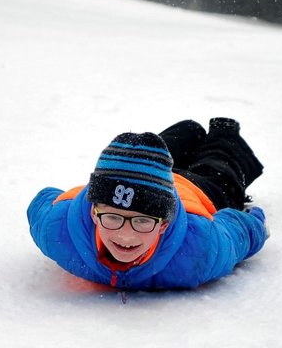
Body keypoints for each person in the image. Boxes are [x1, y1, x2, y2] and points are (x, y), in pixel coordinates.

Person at [27, 118, 267, 291]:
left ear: (164, 225)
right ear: (93, 212)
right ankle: (190, 129)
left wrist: (255, 220)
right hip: (151, 176)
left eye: (142, 221)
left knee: (221, 167)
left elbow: (236, 234)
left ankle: (222, 133)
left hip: (197, 190)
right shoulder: (58, 231)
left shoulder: (198, 248)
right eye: (113, 218)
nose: (126, 236)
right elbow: (43, 201)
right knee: (176, 139)